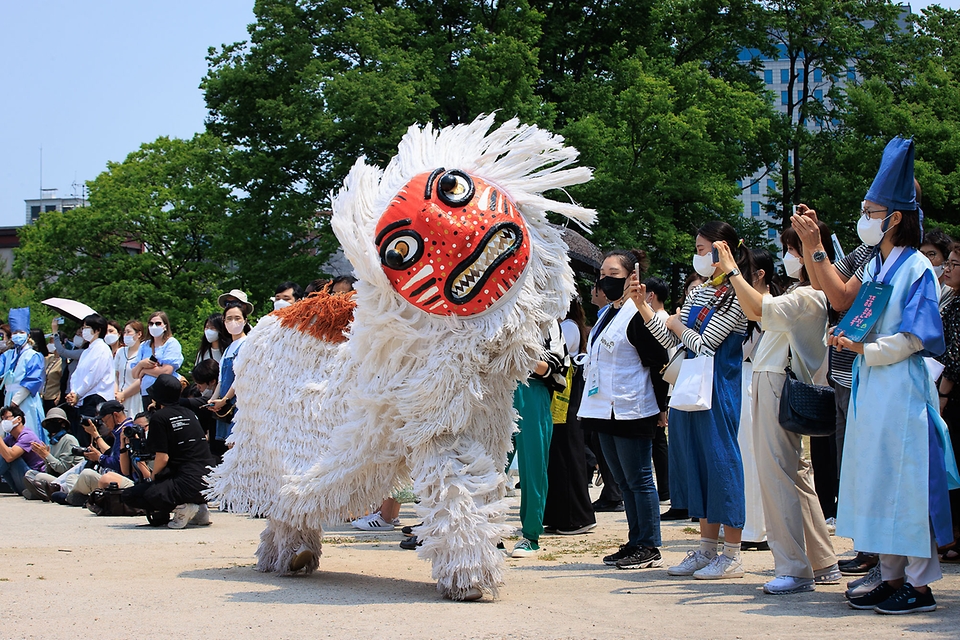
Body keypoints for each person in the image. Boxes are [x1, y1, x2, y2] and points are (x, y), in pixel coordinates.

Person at [797, 136, 955, 614]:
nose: (864, 218)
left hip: (901, 390)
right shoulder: (880, 263)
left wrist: (861, 347)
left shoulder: (918, 270)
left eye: (871, 210)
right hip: (871, 386)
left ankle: (921, 585)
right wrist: (814, 245)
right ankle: (890, 575)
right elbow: (842, 300)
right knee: (877, 481)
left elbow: (916, 338)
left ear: (896, 217)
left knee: (906, 486)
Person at [717, 227, 841, 595]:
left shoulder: (806, 296)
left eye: (792, 249)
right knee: (797, 477)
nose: (788, 256)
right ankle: (822, 562)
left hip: (777, 385)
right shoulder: (803, 295)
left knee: (778, 478)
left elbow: (755, 308)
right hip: (777, 384)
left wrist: (732, 270)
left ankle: (794, 568)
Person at [638, 220, 750, 580]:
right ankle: (706, 548)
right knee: (696, 464)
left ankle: (732, 553)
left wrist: (676, 327)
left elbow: (703, 343)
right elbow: (672, 340)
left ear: (722, 250)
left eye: (702, 249)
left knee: (720, 462)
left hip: (718, 388)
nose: (697, 255)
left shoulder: (736, 293)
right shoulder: (700, 292)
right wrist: (645, 310)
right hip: (690, 387)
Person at [579, 249, 668, 570]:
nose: (604, 280)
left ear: (632, 277)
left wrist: (662, 407)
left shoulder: (638, 315)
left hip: (633, 408)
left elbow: (657, 361)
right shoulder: (606, 315)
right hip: (604, 409)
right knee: (621, 479)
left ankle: (649, 544)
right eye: (602, 274)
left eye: (613, 275)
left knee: (639, 478)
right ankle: (635, 540)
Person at [121, 374, 214, 529]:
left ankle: (182, 507)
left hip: (187, 482)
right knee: (174, 477)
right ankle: (200, 509)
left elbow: (162, 458)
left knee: (134, 494)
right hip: (208, 482)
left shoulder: (160, 417)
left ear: (158, 397)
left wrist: (153, 478)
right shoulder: (190, 413)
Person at [507, 319, 568, 558]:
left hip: (532, 389)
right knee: (491, 466)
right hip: (498, 391)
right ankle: (490, 531)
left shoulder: (547, 318)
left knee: (534, 465)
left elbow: (556, 364)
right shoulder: (498, 310)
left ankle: (531, 534)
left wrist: (516, 357)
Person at [542, 296, 597, 536]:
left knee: (567, 452)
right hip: (561, 395)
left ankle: (576, 516)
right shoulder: (564, 325)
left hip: (566, 395)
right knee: (557, 454)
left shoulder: (567, 327)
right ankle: (559, 515)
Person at [936, 242, 960, 561]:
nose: (947, 269)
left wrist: (942, 396)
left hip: (952, 393)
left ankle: (955, 536)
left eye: (954, 264)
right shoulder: (950, 298)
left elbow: (954, 357)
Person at [64, 314, 116, 445]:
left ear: (97, 330)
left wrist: (78, 393)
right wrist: (73, 392)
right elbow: (76, 375)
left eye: (87, 328)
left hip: (96, 398)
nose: (83, 331)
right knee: (80, 438)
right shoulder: (87, 351)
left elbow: (93, 376)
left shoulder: (102, 349)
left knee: (90, 440)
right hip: (82, 399)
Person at [643, 276, 671, 504]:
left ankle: (665, 489)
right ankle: (666, 489)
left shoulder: (655, 321)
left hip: (660, 387)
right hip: (666, 387)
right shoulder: (668, 317)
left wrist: (660, 403)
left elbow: (658, 363)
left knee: (658, 441)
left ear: (651, 295)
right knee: (659, 441)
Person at [1, 308, 47, 443]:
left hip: (25, 398)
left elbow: (33, 380)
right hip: (9, 397)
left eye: (21, 332)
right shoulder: (8, 354)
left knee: (28, 429)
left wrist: (15, 401)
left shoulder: (34, 356)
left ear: (28, 335)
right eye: (15, 332)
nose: (17, 335)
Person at [209, 301, 251, 444]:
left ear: (245, 321)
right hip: (226, 406)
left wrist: (225, 400)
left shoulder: (247, 344)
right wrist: (214, 400)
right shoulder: (228, 349)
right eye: (229, 318)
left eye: (237, 318)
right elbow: (221, 380)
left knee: (236, 446)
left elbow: (241, 377)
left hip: (240, 405)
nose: (233, 322)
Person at [21, 407, 84, 500]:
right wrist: (44, 457)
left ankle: (43, 492)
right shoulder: (52, 442)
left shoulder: (68, 439)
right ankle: (43, 491)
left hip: (67, 479)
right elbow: (50, 471)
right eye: (49, 422)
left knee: (39, 477)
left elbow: (63, 469)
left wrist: (46, 455)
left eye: (55, 421)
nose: (51, 424)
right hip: (56, 478)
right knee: (30, 474)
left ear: (63, 424)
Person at [133, 311, 184, 409]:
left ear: (165, 325)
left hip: (165, 392)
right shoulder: (144, 345)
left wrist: (144, 370)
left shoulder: (171, 343)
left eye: (158, 323)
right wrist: (141, 364)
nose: (154, 326)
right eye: (151, 324)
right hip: (146, 392)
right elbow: (135, 374)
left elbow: (166, 371)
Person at [0, 405, 46, 494]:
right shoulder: (11, 438)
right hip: (20, 482)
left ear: (19, 419)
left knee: (10, 456)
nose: (4, 422)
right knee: (4, 451)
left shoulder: (27, 436)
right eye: (2, 419)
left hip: (33, 482)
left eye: (7, 418)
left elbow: (10, 457)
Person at [115, 320, 145, 418]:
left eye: (129, 332)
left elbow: (141, 379)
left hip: (135, 397)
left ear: (139, 334)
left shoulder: (144, 352)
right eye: (125, 332)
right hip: (118, 397)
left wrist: (124, 394)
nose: (126, 335)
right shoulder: (120, 352)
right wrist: (116, 393)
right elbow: (115, 374)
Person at [39, 331, 62, 415]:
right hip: (43, 396)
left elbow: (64, 380)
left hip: (53, 397)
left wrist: (60, 395)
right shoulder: (49, 358)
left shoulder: (63, 361)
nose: (50, 344)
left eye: (52, 341)